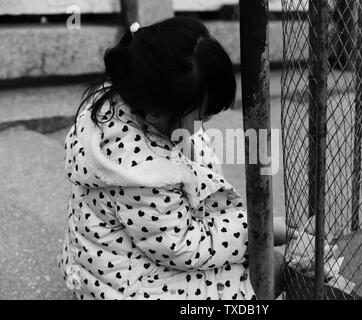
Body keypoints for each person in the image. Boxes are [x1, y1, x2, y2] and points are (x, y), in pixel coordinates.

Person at [57, 17, 297, 300]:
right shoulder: (140, 173)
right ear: (157, 114)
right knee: (269, 271)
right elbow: (183, 247)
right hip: (126, 286)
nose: (207, 122)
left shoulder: (128, 98)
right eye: (202, 115)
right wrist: (259, 231)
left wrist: (265, 228)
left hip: (109, 261)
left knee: (267, 262)